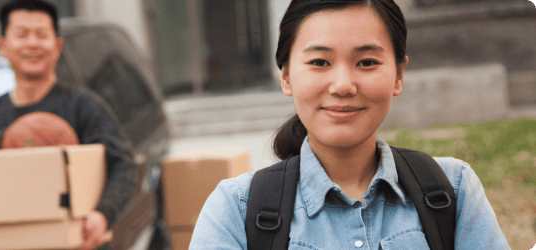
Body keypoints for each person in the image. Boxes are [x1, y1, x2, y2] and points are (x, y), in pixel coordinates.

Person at [189, 0, 510, 249]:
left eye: (366, 62)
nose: (343, 85)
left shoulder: (453, 189)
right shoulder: (235, 209)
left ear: (399, 74)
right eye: (319, 62)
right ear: (285, 76)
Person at [0, 1, 138, 249]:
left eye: (42, 35)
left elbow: (124, 164)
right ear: (2, 45)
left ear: (57, 47)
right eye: (22, 34)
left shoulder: (84, 107)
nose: (33, 43)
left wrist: (102, 214)